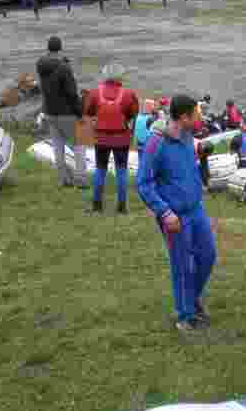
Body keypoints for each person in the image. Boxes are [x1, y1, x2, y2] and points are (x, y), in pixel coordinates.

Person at [137, 94, 217, 333]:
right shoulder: (156, 143)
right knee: (182, 265)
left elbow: (187, 162)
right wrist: (164, 212)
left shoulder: (187, 134)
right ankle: (185, 317)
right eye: (196, 114)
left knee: (207, 256)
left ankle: (190, 299)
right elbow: (144, 183)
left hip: (196, 210)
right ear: (184, 117)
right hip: (175, 216)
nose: (200, 117)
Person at [85, 62, 140, 214]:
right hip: (121, 138)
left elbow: (88, 111)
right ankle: (122, 207)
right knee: (121, 171)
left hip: (101, 138)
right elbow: (134, 113)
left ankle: (97, 207)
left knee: (100, 169)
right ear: (121, 76)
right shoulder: (128, 94)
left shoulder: (96, 92)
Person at [36, 36, 85, 188]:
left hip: (50, 112)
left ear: (48, 48)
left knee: (58, 147)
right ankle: (81, 180)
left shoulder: (41, 65)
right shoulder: (64, 67)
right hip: (67, 113)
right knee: (79, 145)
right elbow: (72, 93)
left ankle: (64, 179)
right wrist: (80, 112)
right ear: (60, 48)